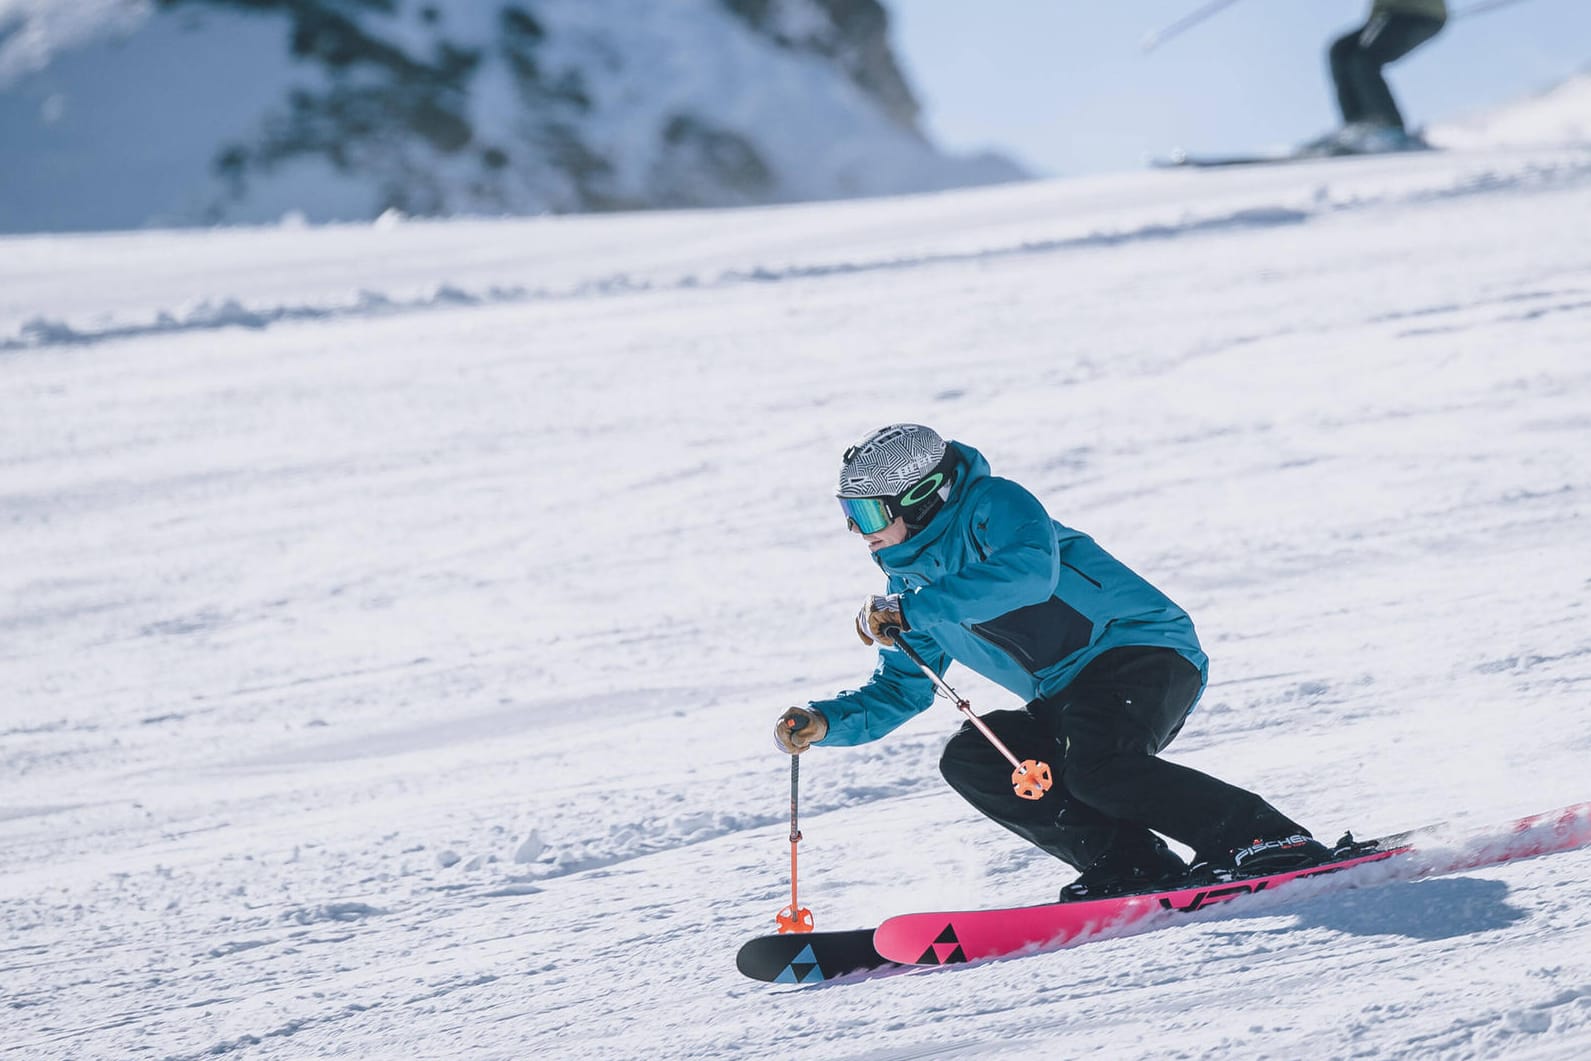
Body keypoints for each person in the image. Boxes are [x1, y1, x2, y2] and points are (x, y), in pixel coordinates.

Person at [774, 424, 1330, 900]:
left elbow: (1030, 573)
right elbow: (905, 687)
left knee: (1097, 766)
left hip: (1141, 651)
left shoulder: (994, 506)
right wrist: (826, 722)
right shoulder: (907, 584)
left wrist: (915, 607)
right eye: (850, 513)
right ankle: (1132, 862)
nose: (856, 529)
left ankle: (1265, 837)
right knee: (976, 757)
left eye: (867, 512)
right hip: (1065, 694)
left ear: (922, 497)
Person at [1321, 0, 1448, 154]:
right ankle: (1358, 127)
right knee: (1341, 51)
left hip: (1421, 13)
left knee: (1363, 59)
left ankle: (1390, 130)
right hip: (1389, 14)